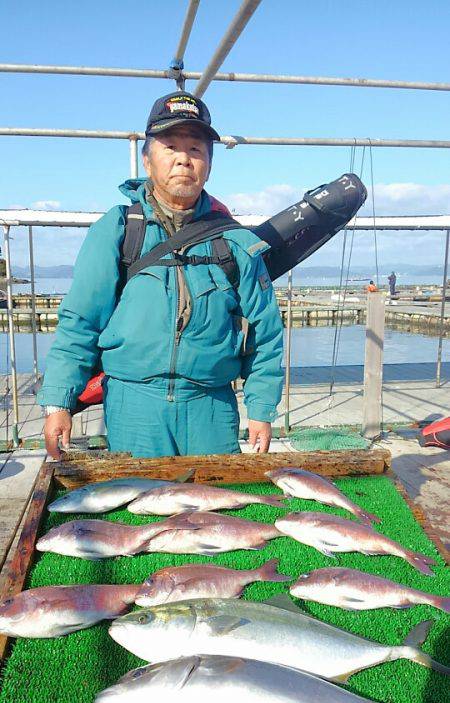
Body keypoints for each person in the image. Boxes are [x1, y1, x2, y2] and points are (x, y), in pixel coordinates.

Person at [38, 91, 284, 459]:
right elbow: (80, 322)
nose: (184, 159)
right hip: (133, 406)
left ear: (209, 165)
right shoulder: (119, 230)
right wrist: (58, 402)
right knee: (140, 495)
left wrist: (261, 409)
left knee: (215, 494)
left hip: (212, 407)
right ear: (147, 160)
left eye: (196, 149)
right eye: (170, 147)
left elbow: (265, 333)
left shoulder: (236, 242)